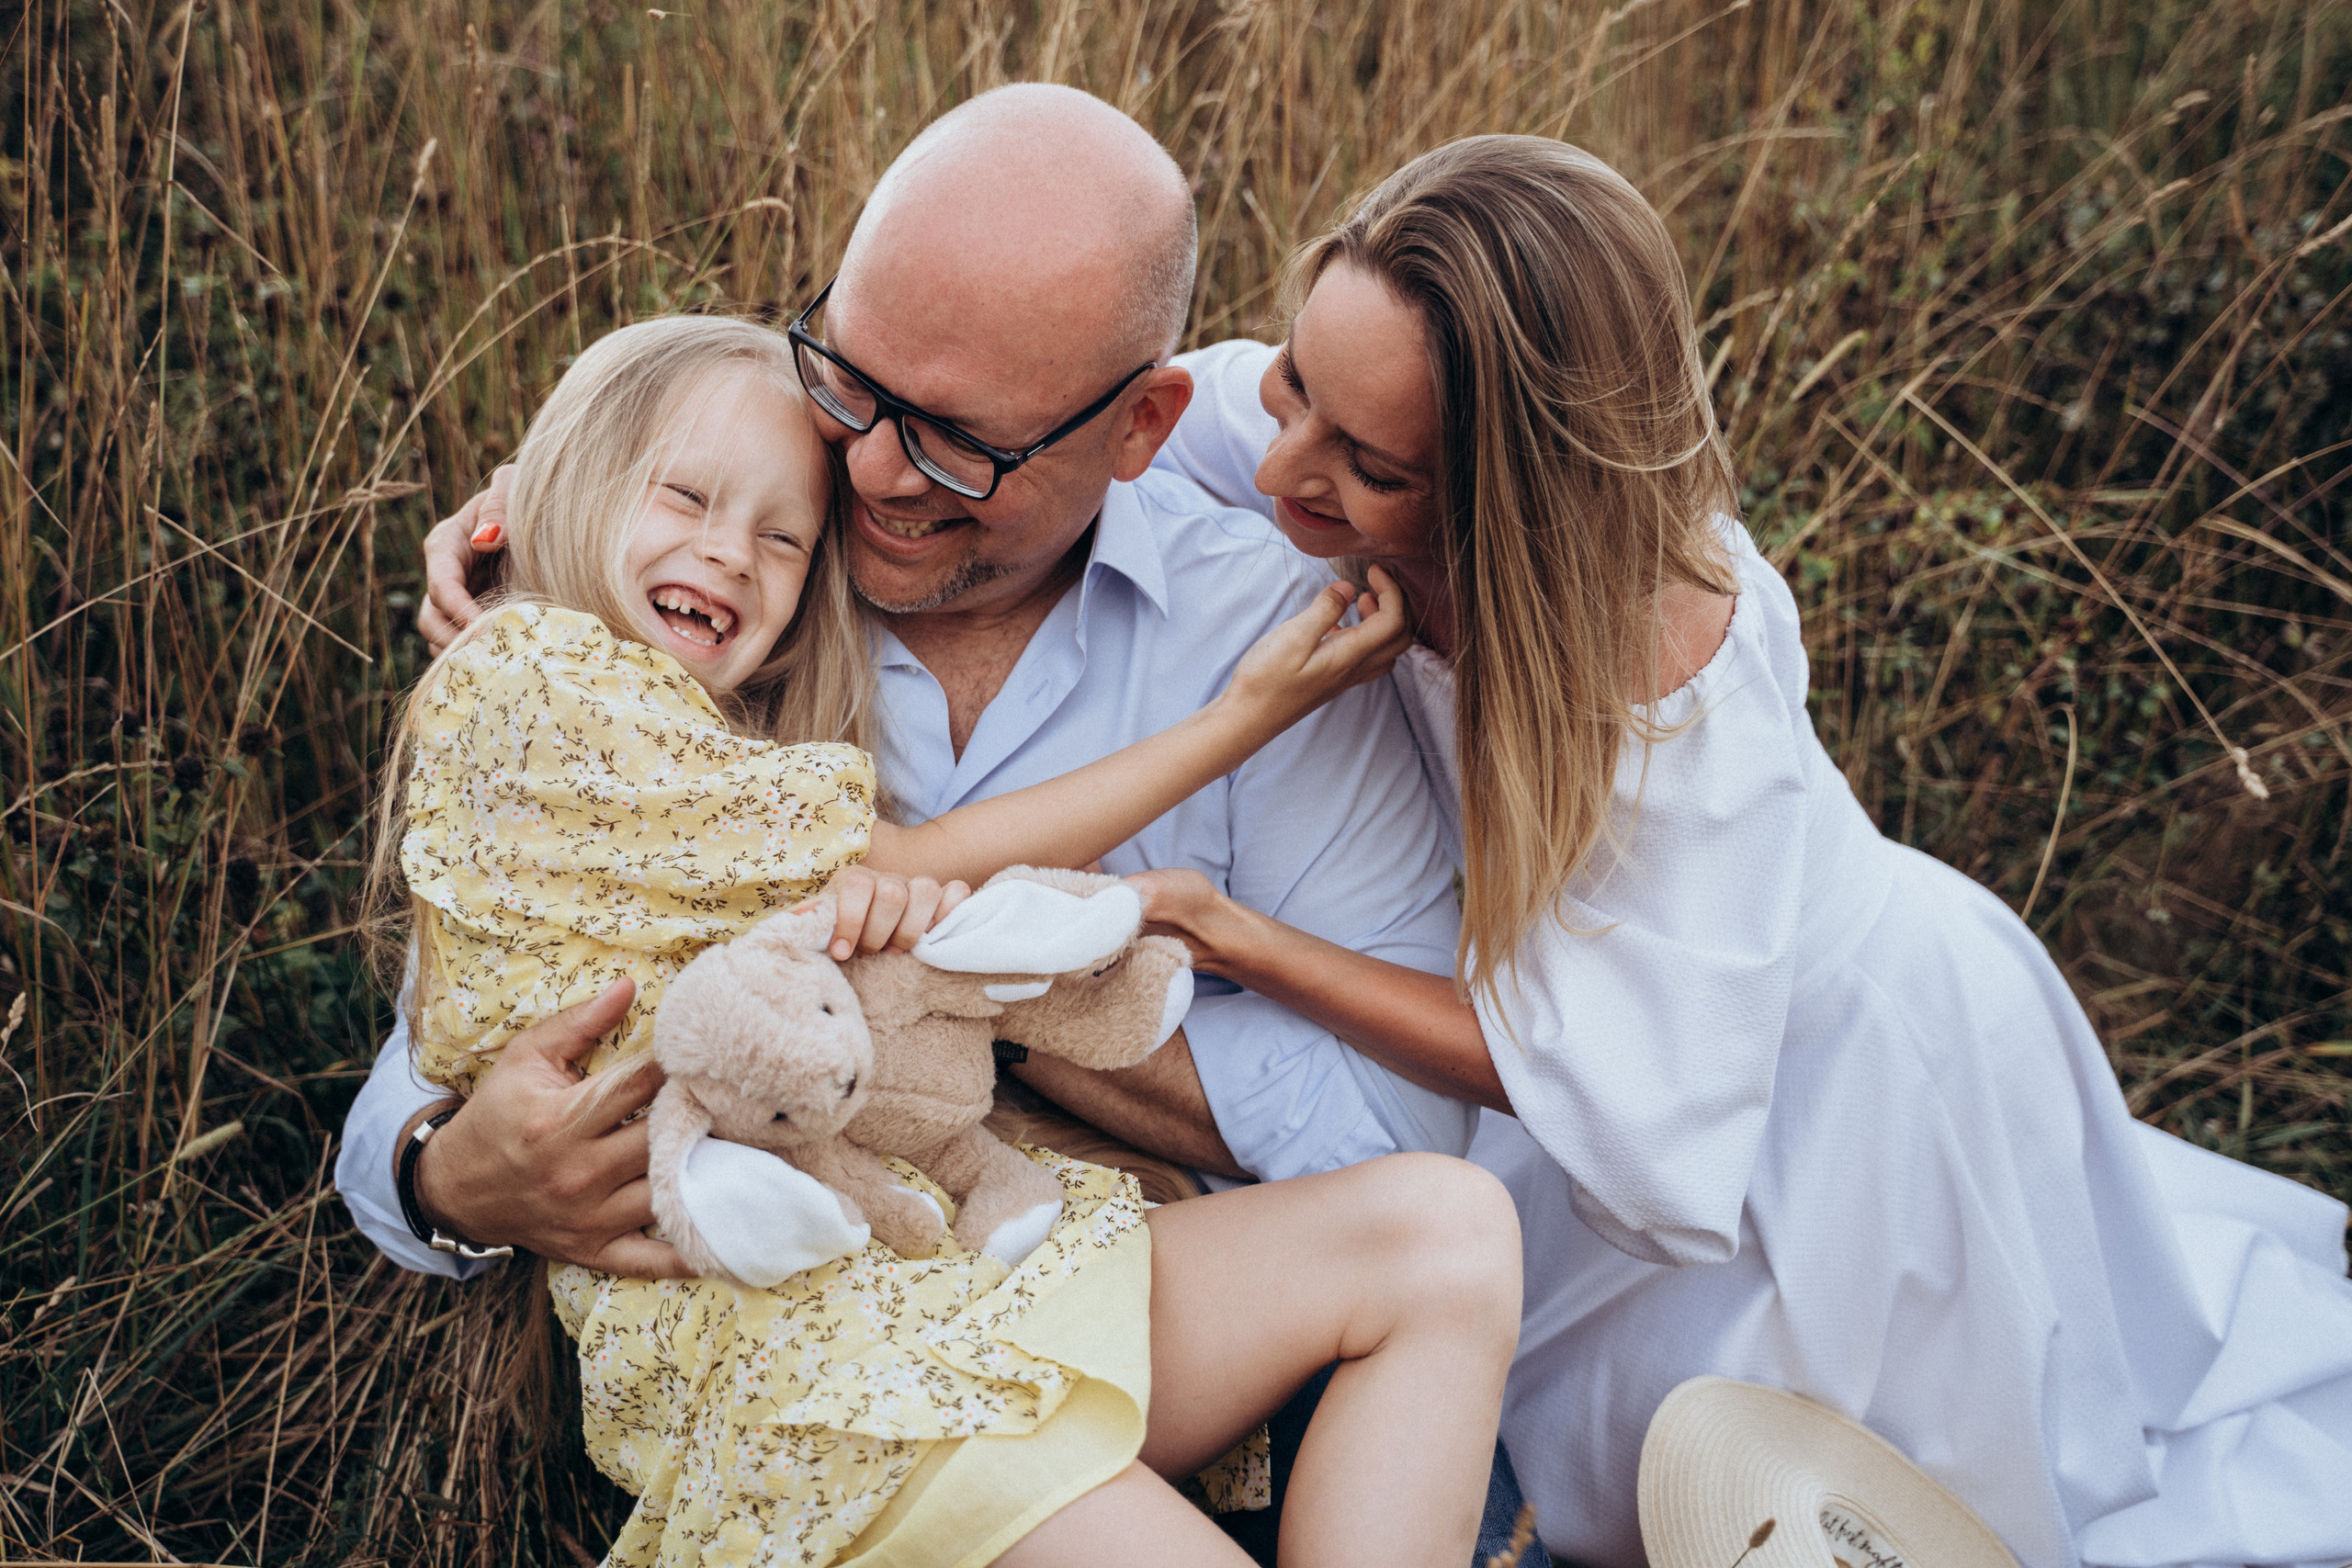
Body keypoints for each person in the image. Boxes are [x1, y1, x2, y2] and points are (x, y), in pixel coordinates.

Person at [1108, 136, 2352, 1568]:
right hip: (1602, 1031)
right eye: (1292, 385)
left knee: (1843, 1481)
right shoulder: (1332, 413)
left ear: (1508, 489)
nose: (1277, 463)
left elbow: (1625, 1098)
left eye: (1368, 467)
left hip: (1827, 1075)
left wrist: (1248, 943)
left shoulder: (1657, 675)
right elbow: (1137, 420)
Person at [342, 87, 1524, 1568]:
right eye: (853, 378)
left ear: (1145, 424)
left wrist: (965, 1025)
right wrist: (444, 1178)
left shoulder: (1275, 637)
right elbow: (456, 1031)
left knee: (1451, 1226)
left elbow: (1389, 1126)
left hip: (1031, 1267)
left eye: (965, 444)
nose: (881, 475)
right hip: (808, 1345)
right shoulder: (732, 576)